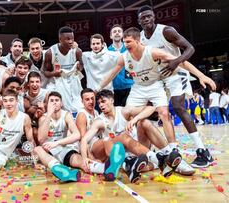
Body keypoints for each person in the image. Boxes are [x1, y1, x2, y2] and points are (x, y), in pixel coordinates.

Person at [98, 27, 216, 173]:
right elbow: (111, 73)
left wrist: (201, 76)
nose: (126, 45)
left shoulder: (152, 51)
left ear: (138, 40)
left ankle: (173, 151)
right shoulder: (123, 57)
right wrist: (97, 87)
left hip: (155, 85)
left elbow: (181, 62)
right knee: (131, 117)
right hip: (138, 88)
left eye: (128, 42)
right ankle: (137, 154)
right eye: (124, 42)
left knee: (164, 113)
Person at [137, 5, 214, 168]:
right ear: (139, 21)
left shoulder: (167, 31)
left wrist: (176, 62)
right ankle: (171, 150)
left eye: (149, 16)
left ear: (154, 17)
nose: (146, 19)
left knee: (178, 107)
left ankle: (202, 150)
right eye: (143, 17)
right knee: (159, 111)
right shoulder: (141, 38)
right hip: (160, 77)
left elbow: (190, 48)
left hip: (177, 72)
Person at [81, 90, 183, 183]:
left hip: (133, 151)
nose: (101, 105)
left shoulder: (124, 111)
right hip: (112, 152)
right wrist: (85, 158)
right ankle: (159, 160)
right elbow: (84, 139)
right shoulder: (100, 121)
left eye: (103, 101)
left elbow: (151, 108)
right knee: (120, 138)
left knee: (144, 122)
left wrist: (135, 119)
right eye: (99, 103)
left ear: (112, 100)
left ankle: (159, 157)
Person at [34, 91, 125, 181]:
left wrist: (57, 143)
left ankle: (105, 168)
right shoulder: (43, 117)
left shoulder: (66, 115)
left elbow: (77, 135)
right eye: (51, 100)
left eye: (57, 100)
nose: (54, 102)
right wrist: (49, 113)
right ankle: (62, 171)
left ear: (61, 103)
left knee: (81, 162)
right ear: (47, 104)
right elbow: (41, 139)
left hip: (63, 149)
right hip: (48, 151)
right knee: (37, 149)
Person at [43, 26, 84, 115]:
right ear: (60, 39)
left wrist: (79, 67)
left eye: (72, 39)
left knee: (78, 107)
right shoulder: (50, 53)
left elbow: (81, 66)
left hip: (73, 82)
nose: (71, 41)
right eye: (68, 39)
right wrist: (53, 73)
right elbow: (45, 71)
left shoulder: (77, 51)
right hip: (57, 82)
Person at [108, 24, 134, 106]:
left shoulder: (129, 48)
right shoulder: (107, 51)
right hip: (114, 87)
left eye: (119, 31)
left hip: (130, 85)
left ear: (122, 35)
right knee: (117, 113)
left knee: (130, 112)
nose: (117, 33)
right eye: (114, 32)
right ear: (111, 36)